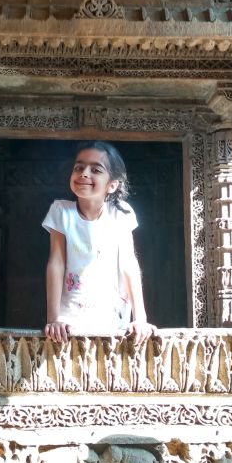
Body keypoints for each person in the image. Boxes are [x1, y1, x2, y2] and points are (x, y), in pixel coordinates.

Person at [42, 141, 156, 344]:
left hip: (113, 318)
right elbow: (56, 263)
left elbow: (128, 264)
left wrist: (141, 319)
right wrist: (54, 319)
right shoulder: (61, 211)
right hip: (69, 321)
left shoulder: (121, 212)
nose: (84, 173)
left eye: (95, 169)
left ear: (112, 184)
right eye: (79, 167)